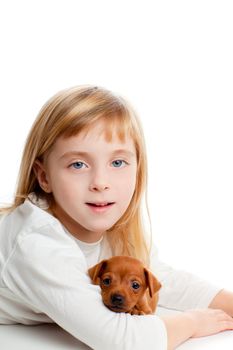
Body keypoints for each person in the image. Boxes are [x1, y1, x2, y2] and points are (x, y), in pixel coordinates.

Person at [0, 85, 233, 350]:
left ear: (138, 170)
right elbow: (120, 339)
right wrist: (192, 322)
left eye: (118, 163)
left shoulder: (113, 227)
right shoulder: (35, 242)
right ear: (44, 177)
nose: (101, 182)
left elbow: (160, 278)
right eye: (78, 164)